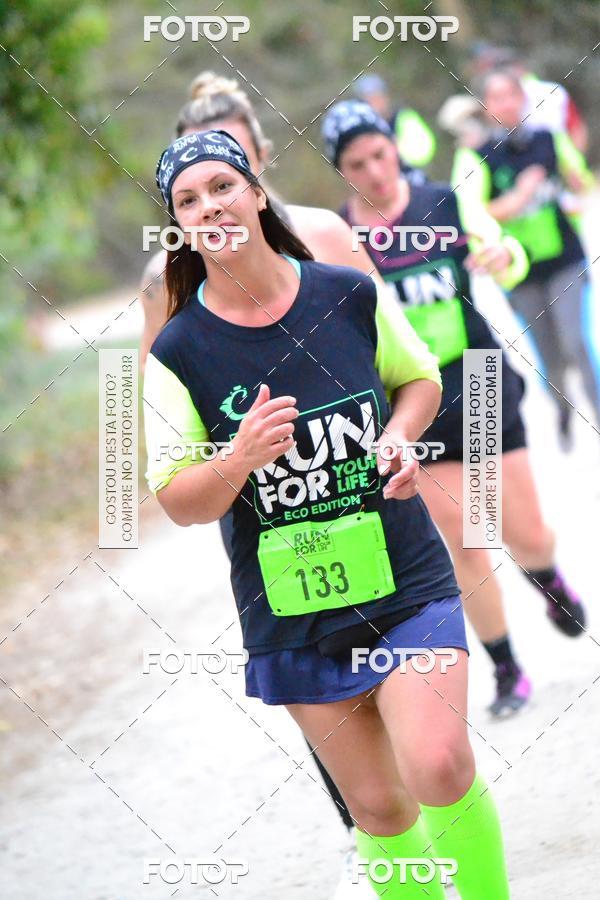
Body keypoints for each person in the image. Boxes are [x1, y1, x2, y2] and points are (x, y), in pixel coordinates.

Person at [143, 127, 511, 899]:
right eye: (189, 199)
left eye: (222, 186)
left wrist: (399, 440)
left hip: (405, 579)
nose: (210, 206)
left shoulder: (345, 293)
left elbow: (419, 380)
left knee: (438, 763)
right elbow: (177, 499)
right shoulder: (176, 351)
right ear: (178, 226)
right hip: (293, 611)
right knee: (378, 808)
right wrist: (237, 458)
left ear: (255, 192)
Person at [320, 99, 588, 716]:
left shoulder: (444, 202)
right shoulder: (338, 236)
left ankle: (547, 576)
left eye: (380, 154)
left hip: (480, 378)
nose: (375, 172)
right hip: (409, 401)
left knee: (524, 533)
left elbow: (507, 254)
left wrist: (504, 257)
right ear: (342, 172)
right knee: (466, 541)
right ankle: (507, 669)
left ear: (395, 147)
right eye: (357, 164)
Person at [453, 67, 598, 449]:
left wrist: (577, 183)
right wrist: (519, 196)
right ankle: (563, 411)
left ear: (523, 99)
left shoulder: (548, 139)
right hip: (519, 272)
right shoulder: (475, 156)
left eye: (511, 95)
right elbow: (473, 212)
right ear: (485, 107)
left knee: (576, 343)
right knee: (551, 358)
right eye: (496, 98)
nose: (506, 104)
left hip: (565, 259)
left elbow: (578, 179)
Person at [354, 73, 436, 175]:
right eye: (368, 101)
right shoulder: (360, 130)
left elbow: (424, 152)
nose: (374, 104)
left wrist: (396, 149)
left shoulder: (405, 118)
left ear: (385, 97)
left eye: (376, 98)